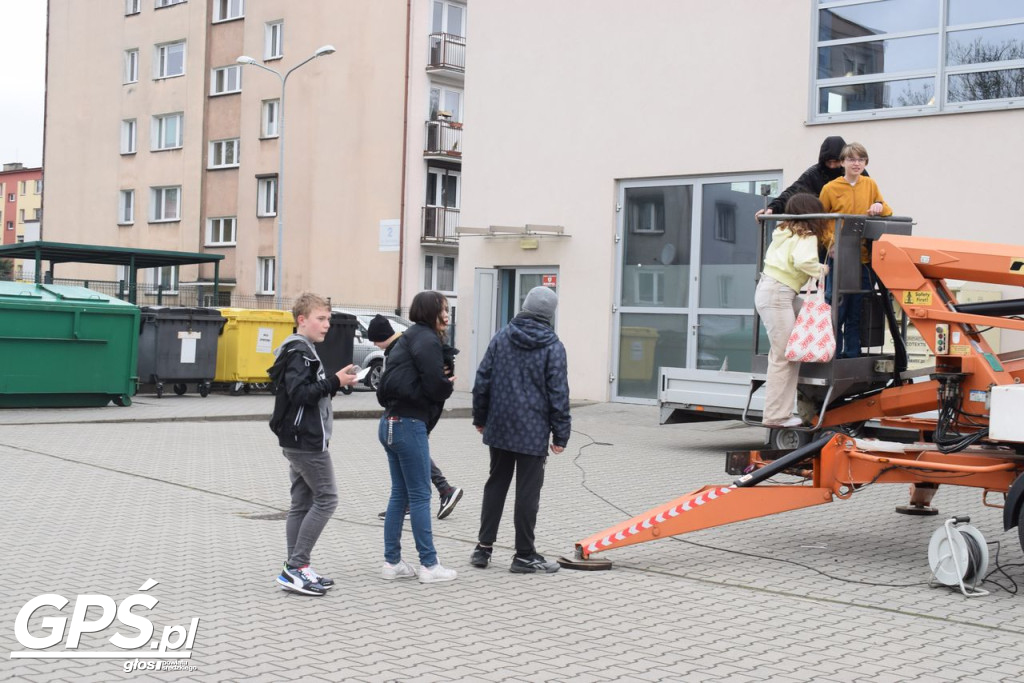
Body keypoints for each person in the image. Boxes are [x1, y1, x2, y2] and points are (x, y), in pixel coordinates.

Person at [470, 286, 571, 574]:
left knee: (496, 485)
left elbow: (483, 380)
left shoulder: (502, 337)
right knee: (527, 493)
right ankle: (524, 554)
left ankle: (483, 549)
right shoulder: (553, 346)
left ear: (524, 306)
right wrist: (560, 434)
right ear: (549, 314)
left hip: (499, 426)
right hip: (532, 430)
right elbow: (559, 393)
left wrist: (480, 417)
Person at [267, 292, 359, 596]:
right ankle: (295, 567)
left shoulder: (303, 349)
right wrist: (335, 382)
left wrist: (335, 383)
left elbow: (308, 393)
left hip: (299, 438)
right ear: (302, 320)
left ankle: (297, 568)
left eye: (329, 319)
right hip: (305, 441)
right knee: (327, 499)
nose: (327, 325)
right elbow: (300, 393)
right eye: (321, 319)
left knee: (302, 503)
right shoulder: (299, 352)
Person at [375, 291, 458, 583]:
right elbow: (434, 385)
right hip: (408, 424)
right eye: (443, 309)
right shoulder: (426, 339)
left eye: (448, 309)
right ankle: (429, 565)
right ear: (429, 311)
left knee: (400, 494)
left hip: (389, 422)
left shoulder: (408, 337)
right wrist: (447, 384)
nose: (447, 315)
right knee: (421, 495)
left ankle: (392, 562)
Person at [367, 313, 464, 521]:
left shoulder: (402, 348)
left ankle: (437, 494)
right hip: (413, 416)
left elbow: (426, 384)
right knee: (413, 456)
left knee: (413, 458)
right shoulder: (410, 343)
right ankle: (442, 491)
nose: (375, 345)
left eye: (374, 340)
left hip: (408, 416)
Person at [754, 194, 830, 428]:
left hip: (773, 291)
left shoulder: (783, 232)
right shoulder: (806, 236)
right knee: (784, 357)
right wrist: (823, 269)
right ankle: (776, 416)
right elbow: (803, 262)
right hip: (778, 293)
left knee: (806, 323)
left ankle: (780, 411)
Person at [818, 141, 892, 359]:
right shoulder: (830, 189)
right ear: (842, 163)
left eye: (860, 159)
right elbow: (821, 221)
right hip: (839, 257)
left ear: (865, 162)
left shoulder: (870, 184)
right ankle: (833, 355)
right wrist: (829, 244)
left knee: (856, 310)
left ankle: (852, 354)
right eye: (851, 159)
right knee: (837, 309)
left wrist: (880, 207)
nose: (856, 163)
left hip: (862, 257)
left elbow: (886, 208)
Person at [755, 136, 856, 220]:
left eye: (836, 161)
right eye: (829, 162)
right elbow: (793, 192)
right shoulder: (814, 174)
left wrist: (873, 204)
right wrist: (772, 208)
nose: (832, 166)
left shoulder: (855, 171)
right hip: (825, 230)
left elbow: (870, 193)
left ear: (843, 160)